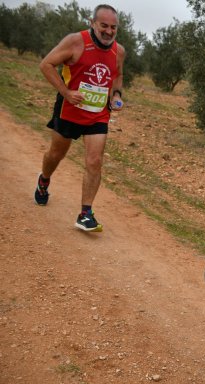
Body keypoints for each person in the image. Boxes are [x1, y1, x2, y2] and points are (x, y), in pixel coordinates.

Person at [34, 4, 125, 232]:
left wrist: (116, 95)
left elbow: (118, 75)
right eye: (103, 25)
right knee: (56, 154)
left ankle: (85, 213)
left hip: (98, 115)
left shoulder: (119, 51)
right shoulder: (75, 41)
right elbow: (46, 64)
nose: (108, 31)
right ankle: (44, 179)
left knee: (95, 161)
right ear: (92, 23)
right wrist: (66, 92)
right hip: (69, 110)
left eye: (113, 27)